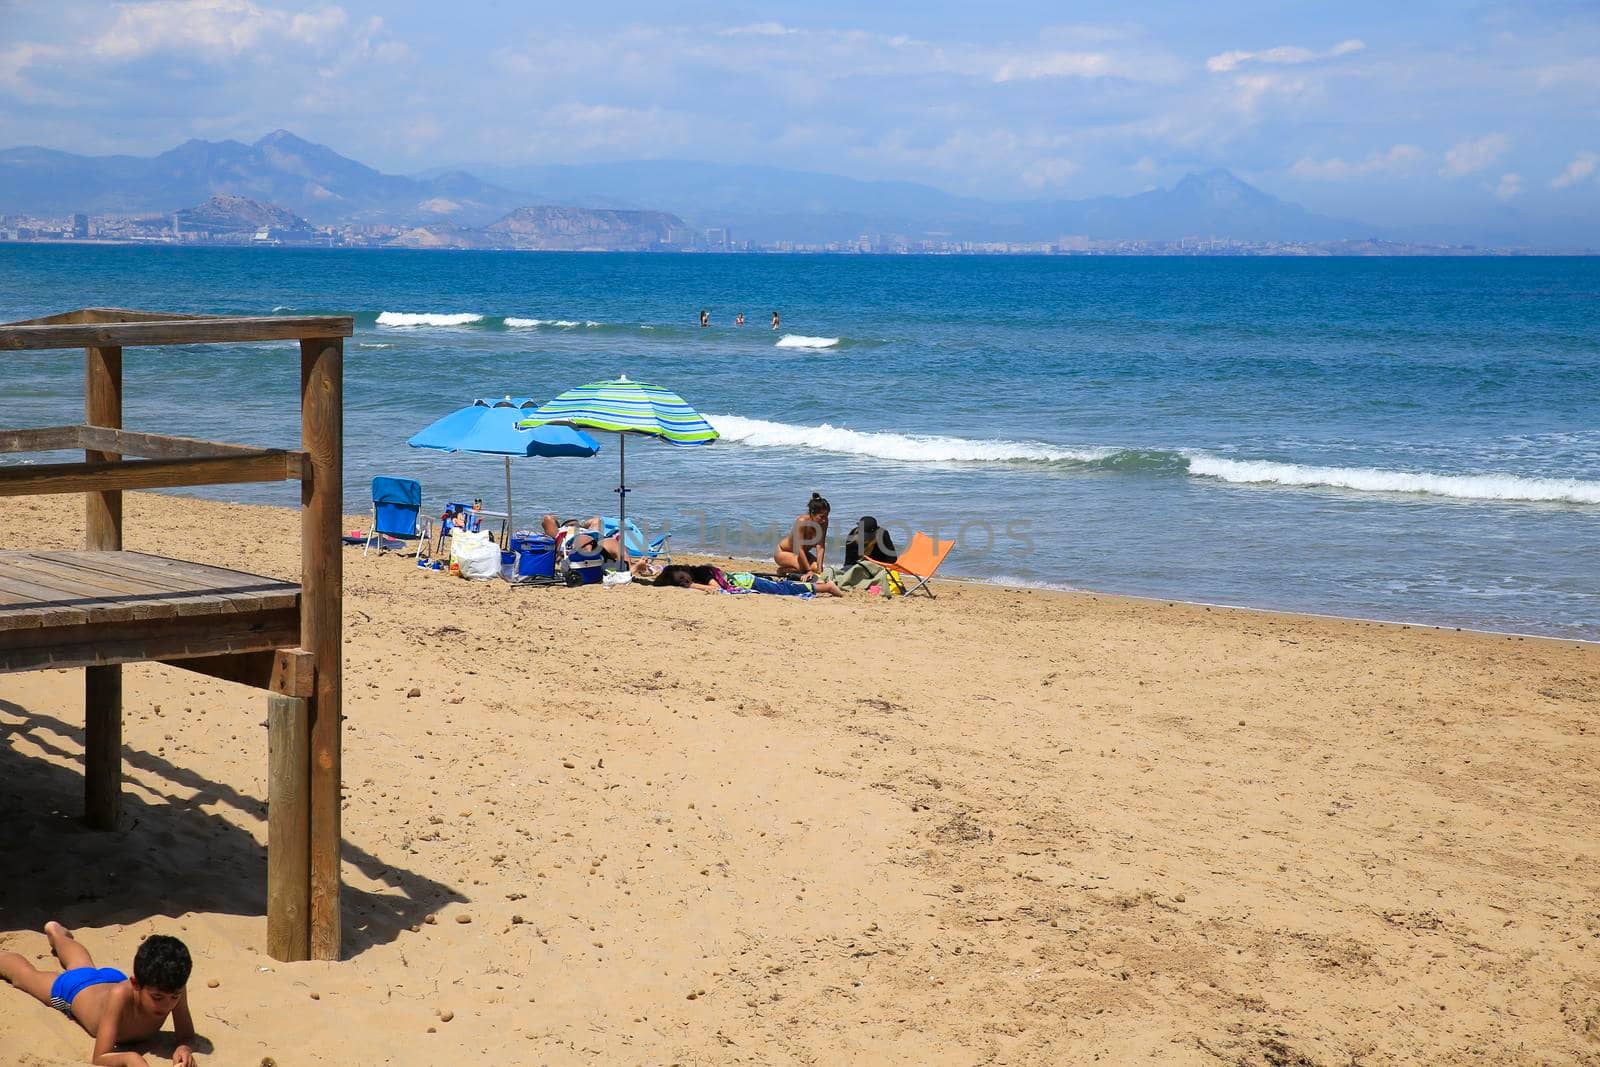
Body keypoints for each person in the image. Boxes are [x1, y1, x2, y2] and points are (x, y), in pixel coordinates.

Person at [1, 922, 197, 1067]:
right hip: (75, 989)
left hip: (110, 979)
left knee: (82, 963)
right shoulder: (120, 996)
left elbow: (186, 1035)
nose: (167, 1005)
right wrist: (130, 1058)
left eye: (174, 997)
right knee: (25, 977)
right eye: (158, 998)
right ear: (136, 985)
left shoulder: (172, 987)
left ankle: (58, 935)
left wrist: (184, 1047)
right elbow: (100, 1056)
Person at [655, 563, 842, 597]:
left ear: (684, 570)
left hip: (747, 581)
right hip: (743, 580)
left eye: (682, 577)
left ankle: (826, 587)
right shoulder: (698, 575)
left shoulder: (702, 573)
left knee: (784, 589)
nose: (684, 581)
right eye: (679, 582)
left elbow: (714, 589)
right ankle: (823, 587)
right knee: (782, 588)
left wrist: (692, 585)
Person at [775, 492, 829, 578]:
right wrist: (809, 571)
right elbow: (799, 549)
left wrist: (819, 568)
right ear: (812, 513)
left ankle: (804, 568)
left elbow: (820, 546)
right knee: (803, 568)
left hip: (802, 554)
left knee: (818, 569)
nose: (824, 520)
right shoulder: (802, 522)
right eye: (821, 517)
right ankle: (781, 570)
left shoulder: (823, 522)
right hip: (784, 552)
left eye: (826, 516)